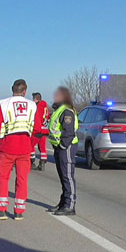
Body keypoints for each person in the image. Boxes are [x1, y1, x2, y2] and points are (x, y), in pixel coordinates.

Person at [0, 79, 43, 221]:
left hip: (8, 147)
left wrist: (5, 133)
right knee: (22, 179)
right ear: (25, 91)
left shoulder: (4, 104)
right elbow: (37, 128)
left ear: (12, 89)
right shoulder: (32, 105)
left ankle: (1, 209)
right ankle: (19, 211)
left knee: (2, 177)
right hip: (25, 148)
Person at [47, 86, 79, 216]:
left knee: (67, 176)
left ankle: (70, 205)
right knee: (62, 176)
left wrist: (63, 146)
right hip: (59, 148)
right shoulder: (59, 110)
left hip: (66, 147)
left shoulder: (67, 111)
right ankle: (63, 202)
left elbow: (68, 132)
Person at [30, 92, 50, 170]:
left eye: (33, 99)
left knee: (31, 145)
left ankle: (31, 162)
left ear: (36, 99)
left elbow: (36, 118)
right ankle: (42, 162)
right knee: (42, 147)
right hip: (45, 130)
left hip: (38, 130)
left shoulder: (38, 107)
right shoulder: (45, 107)